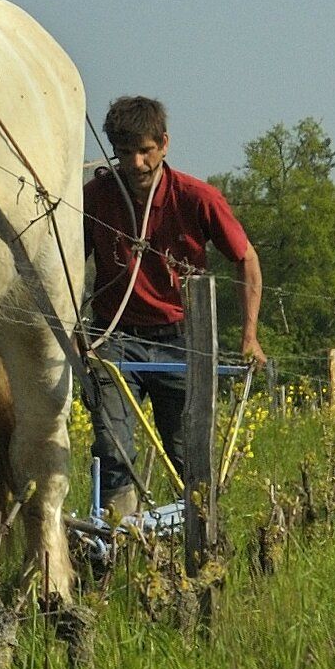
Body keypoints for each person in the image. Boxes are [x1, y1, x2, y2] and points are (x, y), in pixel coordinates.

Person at [82, 96, 266, 522]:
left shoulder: (197, 197)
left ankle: (198, 537)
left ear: (164, 144)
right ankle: (118, 539)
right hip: (114, 337)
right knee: (111, 447)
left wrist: (249, 336)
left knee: (187, 452)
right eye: (125, 153)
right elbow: (70, 262)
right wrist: (77, 323)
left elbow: (246, 259)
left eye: (145, 150)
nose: (137, 163)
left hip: (181, 340)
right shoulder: (96, 196)